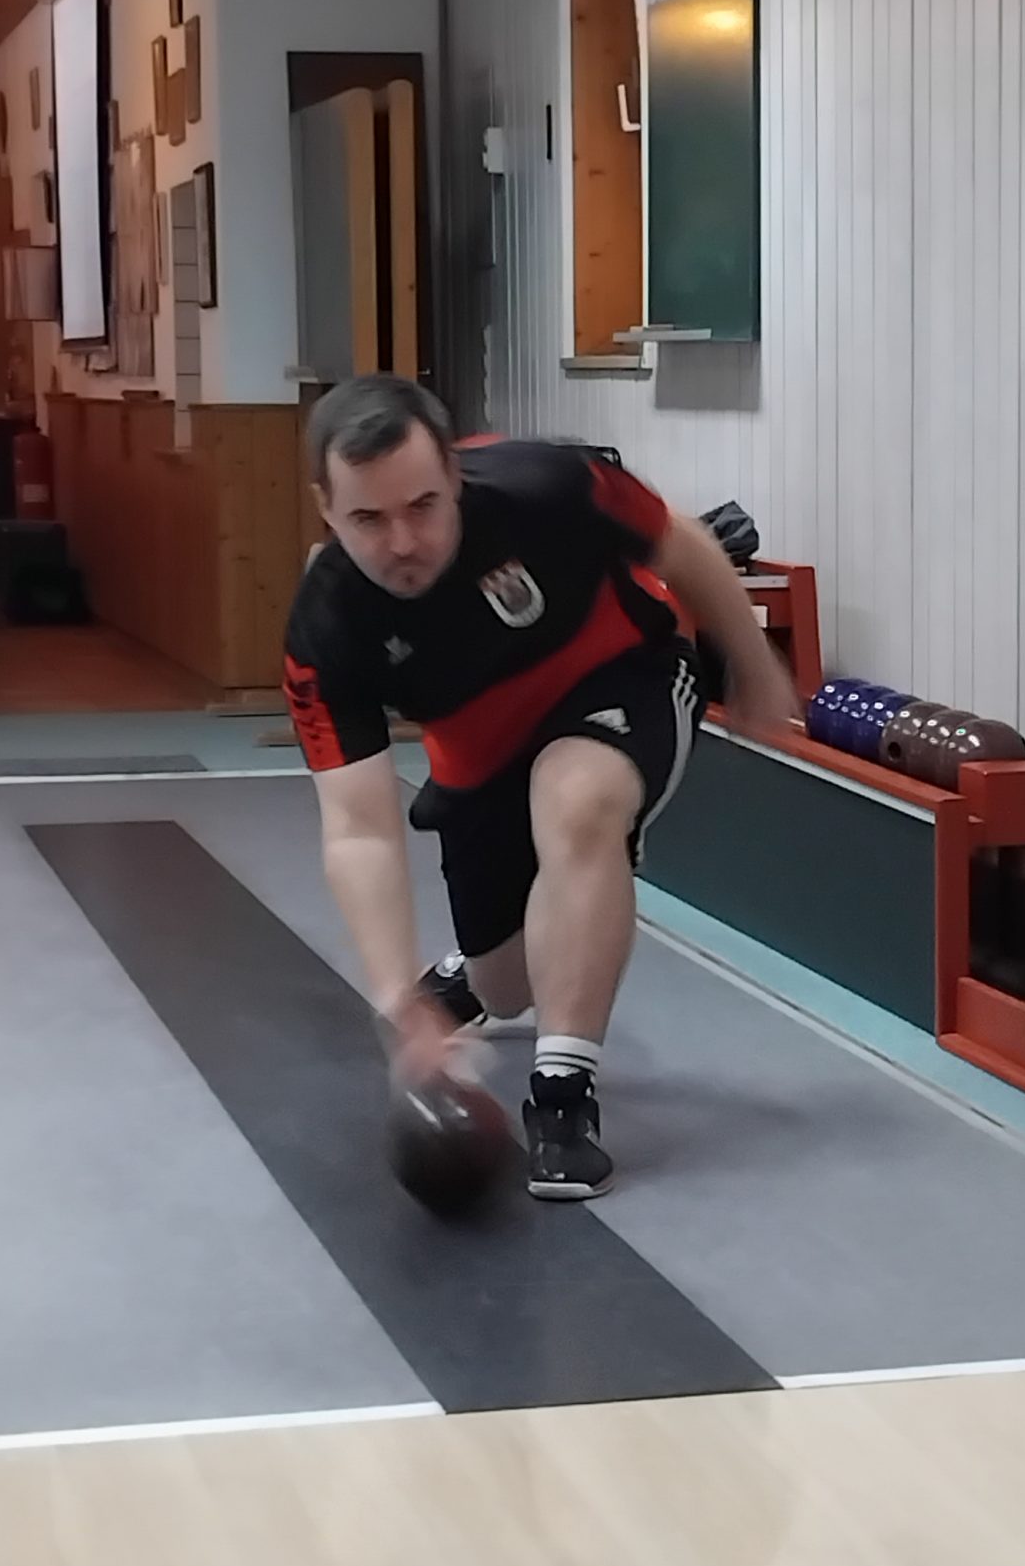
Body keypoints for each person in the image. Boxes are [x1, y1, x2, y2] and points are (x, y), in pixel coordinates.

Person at [284, 375, 799, 1201]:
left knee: (576, 802)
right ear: (326, 508)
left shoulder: (545, 486)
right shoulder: (325, 628)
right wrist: (399, 1002)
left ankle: (563, 1097)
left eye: (423, 506)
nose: (404, 541)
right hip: (480, 751)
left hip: (621, 671)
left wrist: (753, 662)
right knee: (508, 988)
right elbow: (358, 829)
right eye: (369, 520)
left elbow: (680, 540)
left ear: (452, 474)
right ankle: (473, 974)